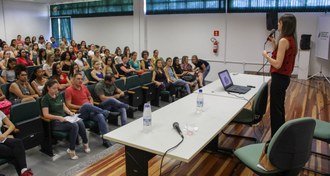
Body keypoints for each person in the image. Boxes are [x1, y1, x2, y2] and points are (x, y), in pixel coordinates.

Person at [262, 14, 297, 137]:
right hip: (285, 78)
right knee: (279, 108)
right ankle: (280, 136)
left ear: (284, 24)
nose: (277, 24)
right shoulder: (291, 39)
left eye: (279, 22)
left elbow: (277, 64)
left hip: (278, 79)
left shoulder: (283, 41)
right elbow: (283, 55)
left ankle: (274, 140)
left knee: (275, 111)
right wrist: (274, 43)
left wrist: (266, 56)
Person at [41, 80, 90, 160]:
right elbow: (45, 114)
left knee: (80, 121)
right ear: (48, 88)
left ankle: (85, 142)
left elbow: (64, 106)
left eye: (57, 88)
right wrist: (58, 117)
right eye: (53, 88)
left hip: (64, 118)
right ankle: (71, 149)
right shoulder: (45, 99)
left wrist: (70, 112)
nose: (56, 90)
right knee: (74, 126)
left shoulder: (59, 95)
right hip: (55, 122)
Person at [64, 73, 111, 148]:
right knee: (86, 105)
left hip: (90, 110)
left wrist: (91, 105)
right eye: (78, 79)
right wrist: (83, 106)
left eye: (81, 79)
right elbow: (68, 105)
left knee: (100, 116)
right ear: (73, 80)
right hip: (80, 113)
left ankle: (106, 140)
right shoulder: (68, 90)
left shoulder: (84, 87)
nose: (80, 80)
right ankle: (104, 111)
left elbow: (90, 98)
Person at [0, 110, 33, 175]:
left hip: (1, 138)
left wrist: (4, 135)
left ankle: (24, 171)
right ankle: (24, 174)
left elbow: (12, 126)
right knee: (16, 154)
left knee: (18, 142)